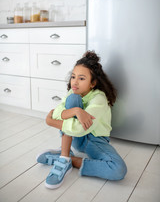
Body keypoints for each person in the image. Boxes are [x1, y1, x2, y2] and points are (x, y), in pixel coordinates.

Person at [37, 51, 127, 189]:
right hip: (76, 140)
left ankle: (69, 159)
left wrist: (50, 122)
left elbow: (75, 127)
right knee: (73, 99)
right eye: (73, 77)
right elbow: (57, 112)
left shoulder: (99, 99)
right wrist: (76, 110)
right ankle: (64, 158)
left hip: (95, 141)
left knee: (118, 169)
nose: (75, 82)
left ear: (93, 83)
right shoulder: (73, 92)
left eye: (81, 78)